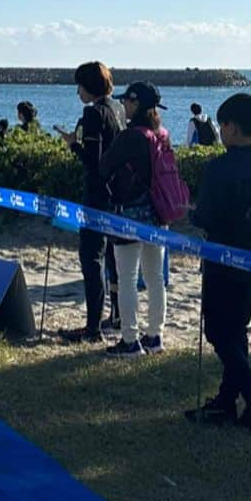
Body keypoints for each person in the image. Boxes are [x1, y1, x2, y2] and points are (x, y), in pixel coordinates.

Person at [186, 93, 251, 429]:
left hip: (222, 256)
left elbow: (208, 216)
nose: (221, 131)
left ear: (233, 127)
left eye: (223, 125)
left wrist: (194, 216)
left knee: (218, 331)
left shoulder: (218, 168)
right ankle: (227, 399)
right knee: (237, 327)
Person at [99, 82, 170, 357]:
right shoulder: (162, 134)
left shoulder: (130, 136)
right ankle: (155, 335)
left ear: (135, 103)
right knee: (155, 278)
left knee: (127, 277)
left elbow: (104, 167)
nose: (123, 106)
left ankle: (130, 339)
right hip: (159, 213)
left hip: (128, 213)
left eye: (127, 102)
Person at [57, 62, 123, 343]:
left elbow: (94, 163)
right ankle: (117, 316)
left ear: (88, 87)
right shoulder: (118, 108)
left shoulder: (93, 113)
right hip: (118, 193)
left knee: (92, 258)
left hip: (97, 196)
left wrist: (73, 145)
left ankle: (92, 327)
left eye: (79, 87)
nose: (77, 93)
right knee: (114, 259)